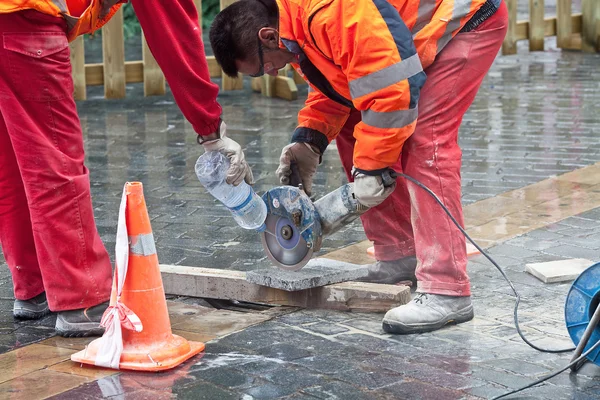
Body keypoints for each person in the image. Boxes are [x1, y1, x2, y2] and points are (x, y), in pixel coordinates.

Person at [210, 0, 507, 333]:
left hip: (464, 20)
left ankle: (447, 289)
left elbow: (392, 90)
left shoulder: (329, 12)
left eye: (262, 68)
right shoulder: (293, 30)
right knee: (354, 124)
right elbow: (342, 86)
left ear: (267, 37)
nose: (272, 73)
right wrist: (310, 139)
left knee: (427, 141)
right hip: (403, 47)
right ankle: (399, 254)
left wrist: (372, 170)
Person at [0, 0, 252, 337]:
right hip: (25, 20)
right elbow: (172, 28)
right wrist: (209, 128)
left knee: (13, 162)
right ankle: (81, 299)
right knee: (55, 158)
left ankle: (35, 286)